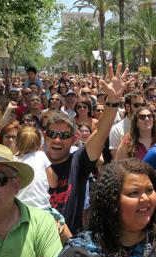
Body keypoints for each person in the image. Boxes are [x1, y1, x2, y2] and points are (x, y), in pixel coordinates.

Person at [46, 63, 131, 234]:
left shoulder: (78, 161)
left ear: (74, 139)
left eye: (64, 136)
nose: (57, 139)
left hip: (71, 247)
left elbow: (101, 131)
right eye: (52, 133)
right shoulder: (30, 165)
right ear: (43, 135)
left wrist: (113, 101)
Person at [108, 92, 145, 158]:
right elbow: (117, 158)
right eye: (137, 105)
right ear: (127, 107)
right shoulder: (116, 129)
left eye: (143, 105)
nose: (140, 108)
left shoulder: (149, 126)